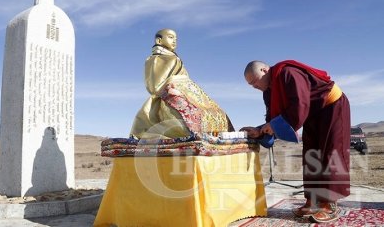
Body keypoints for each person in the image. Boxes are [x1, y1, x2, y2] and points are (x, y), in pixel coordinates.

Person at [240, 60, 350, 224]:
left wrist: (274, 125)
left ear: (264, 69)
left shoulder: (288, 73)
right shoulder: (268, 92)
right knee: (311, 155)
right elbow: (273, 119)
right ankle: (312, 202)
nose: (254, 86)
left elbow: (300, 103)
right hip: (311, 114)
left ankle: (329, 205)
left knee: (330, 152)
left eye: (254, 81)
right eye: (250, 84)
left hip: (332, 105)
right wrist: (259, 129)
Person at [130, 29, 234, 139]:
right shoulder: (155, 59)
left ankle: (215, 135)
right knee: (190, 119)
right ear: (159, 40)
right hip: (169, 97)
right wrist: (171, 88)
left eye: (176, 39)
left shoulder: (175, 59)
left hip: (188, 94)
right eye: (170, 37)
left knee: (216, 112)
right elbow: (154, 86)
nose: (174, 41)